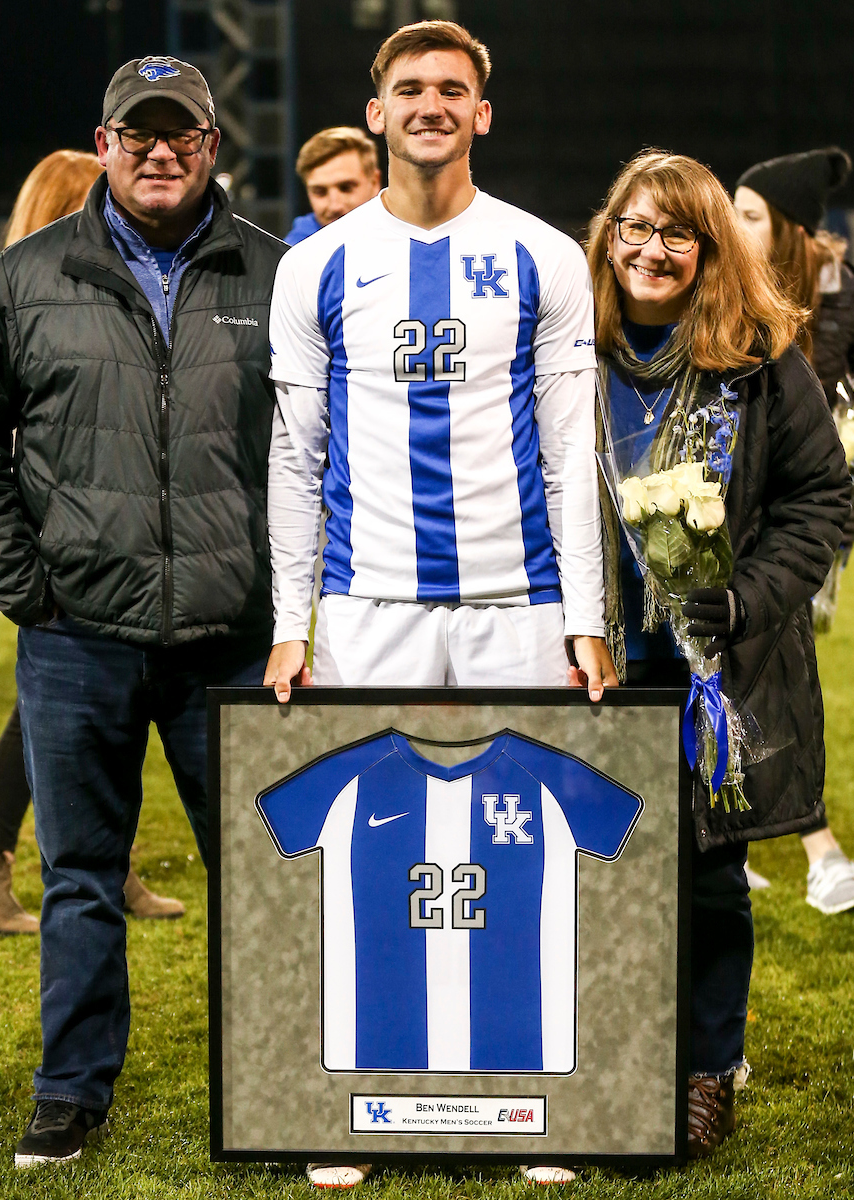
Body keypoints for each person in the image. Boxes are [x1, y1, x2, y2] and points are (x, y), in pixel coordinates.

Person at [266, 19, 615, 1188]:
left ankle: (526, 1100)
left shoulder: (542, 256)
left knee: (524, 858)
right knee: (367, 862)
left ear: (482, 114)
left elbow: (573, 454)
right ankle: (353, 1103)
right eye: (408, 88)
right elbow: (296, 458)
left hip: (518, 602)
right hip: (370, 606)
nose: (430, 103)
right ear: (376, 114)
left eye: (451, 89)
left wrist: (588, 614)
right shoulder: (316, 263)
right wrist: (289, 619)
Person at [0, 55, 286, 1167]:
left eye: (179, 134)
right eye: (136, 133)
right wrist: (25, 585)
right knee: (81, 879)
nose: (158, 151)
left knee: (266, 876)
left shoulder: (276, 273)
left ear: (211, 148)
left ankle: (286, 1079)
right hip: (77, 635)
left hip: (231, 635)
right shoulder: (28, 274)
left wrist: (282, 595)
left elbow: (318, 457)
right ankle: (70, 1093)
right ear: (103, 144)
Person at [586, 150, 850, 1158]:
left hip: (715, 670)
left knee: (706, 878)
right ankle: (607, 1057)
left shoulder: (759, 359)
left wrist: (746, 602)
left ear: (708, 251)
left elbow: (820, 498)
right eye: (636, 229)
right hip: (595, 665)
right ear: (611, 237)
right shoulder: (567, 352)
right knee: (598, 870)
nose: (653, 250)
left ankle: (705, 1069)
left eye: (677, 233)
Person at [0, 150, 184, 936]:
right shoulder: (34, 292)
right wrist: (25, 577)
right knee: (42, 717)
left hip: (91, 541)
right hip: (62, 545)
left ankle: (111, 870)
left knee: (105, 723)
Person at [734, 147, 854, 913]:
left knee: (777, 673)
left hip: (801, 531)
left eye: (751, 214)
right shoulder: (722, 289)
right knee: (752, 673)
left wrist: (837, 535)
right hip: (725, 527)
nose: (732, 225)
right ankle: (803, 851)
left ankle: (809, 852)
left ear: (789, 230)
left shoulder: (848, 300)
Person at [283, 126, 381, 245]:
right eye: (320, 192)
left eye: (346, 188)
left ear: (374, 182)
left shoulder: (407, 232)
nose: (335, 206)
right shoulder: (293, 254)